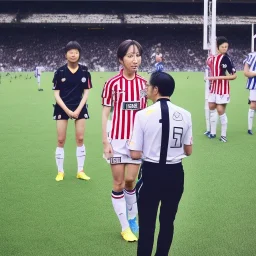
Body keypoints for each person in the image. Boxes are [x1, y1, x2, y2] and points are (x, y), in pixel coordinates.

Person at [128, 71, 193, 256]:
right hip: (175, 174)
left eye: (148, 86)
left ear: (156, 89)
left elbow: (135, 153)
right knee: (167, 222)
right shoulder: (185, 114)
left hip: (151, 173)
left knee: (147, 224)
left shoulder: (142, 115)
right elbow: (189, 150)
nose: (146, 89)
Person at [101, 39, 147, 242]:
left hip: (137, 142)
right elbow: (105, 114)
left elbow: (148, 113)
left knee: (131, 181)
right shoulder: (112, 84)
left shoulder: (145, 85)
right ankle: (125, 226)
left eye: (137, 55)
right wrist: (106, 142)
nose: (135, 59)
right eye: (130, 56)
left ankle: (132, 214)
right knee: (118, 182)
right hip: (117, 142)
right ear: (121, 59)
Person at [52, 41, 92, 182]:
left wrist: (78, 109)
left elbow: (86, 93)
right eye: (70, 52)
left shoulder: (85, 71)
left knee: (80, 139)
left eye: (76, 52)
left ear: (79, 54)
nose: (73, 54)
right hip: (62, 107)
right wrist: (68, 110)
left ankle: (80, 171)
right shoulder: (60, 72)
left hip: (79, 106)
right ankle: (60, 171)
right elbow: (56, 94)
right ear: (66, 55)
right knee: (61, 140)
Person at [206, 36, 237, 142]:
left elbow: (234, 75)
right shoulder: (211, 57)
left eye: (226, 47)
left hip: (222, 88)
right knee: (211, 107)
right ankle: (212, 132)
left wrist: (218, 77)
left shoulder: (226, 59)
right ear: (217, 47)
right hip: (213, 87)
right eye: (222, 47)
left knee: (220, 110)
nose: (225, 49)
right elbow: (209, 67)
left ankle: (223, 135)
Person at [243, 51, 256, 135]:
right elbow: (246, 72)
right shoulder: (252, 55)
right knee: (253, 104)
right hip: (254, 84)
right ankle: (249, 128)